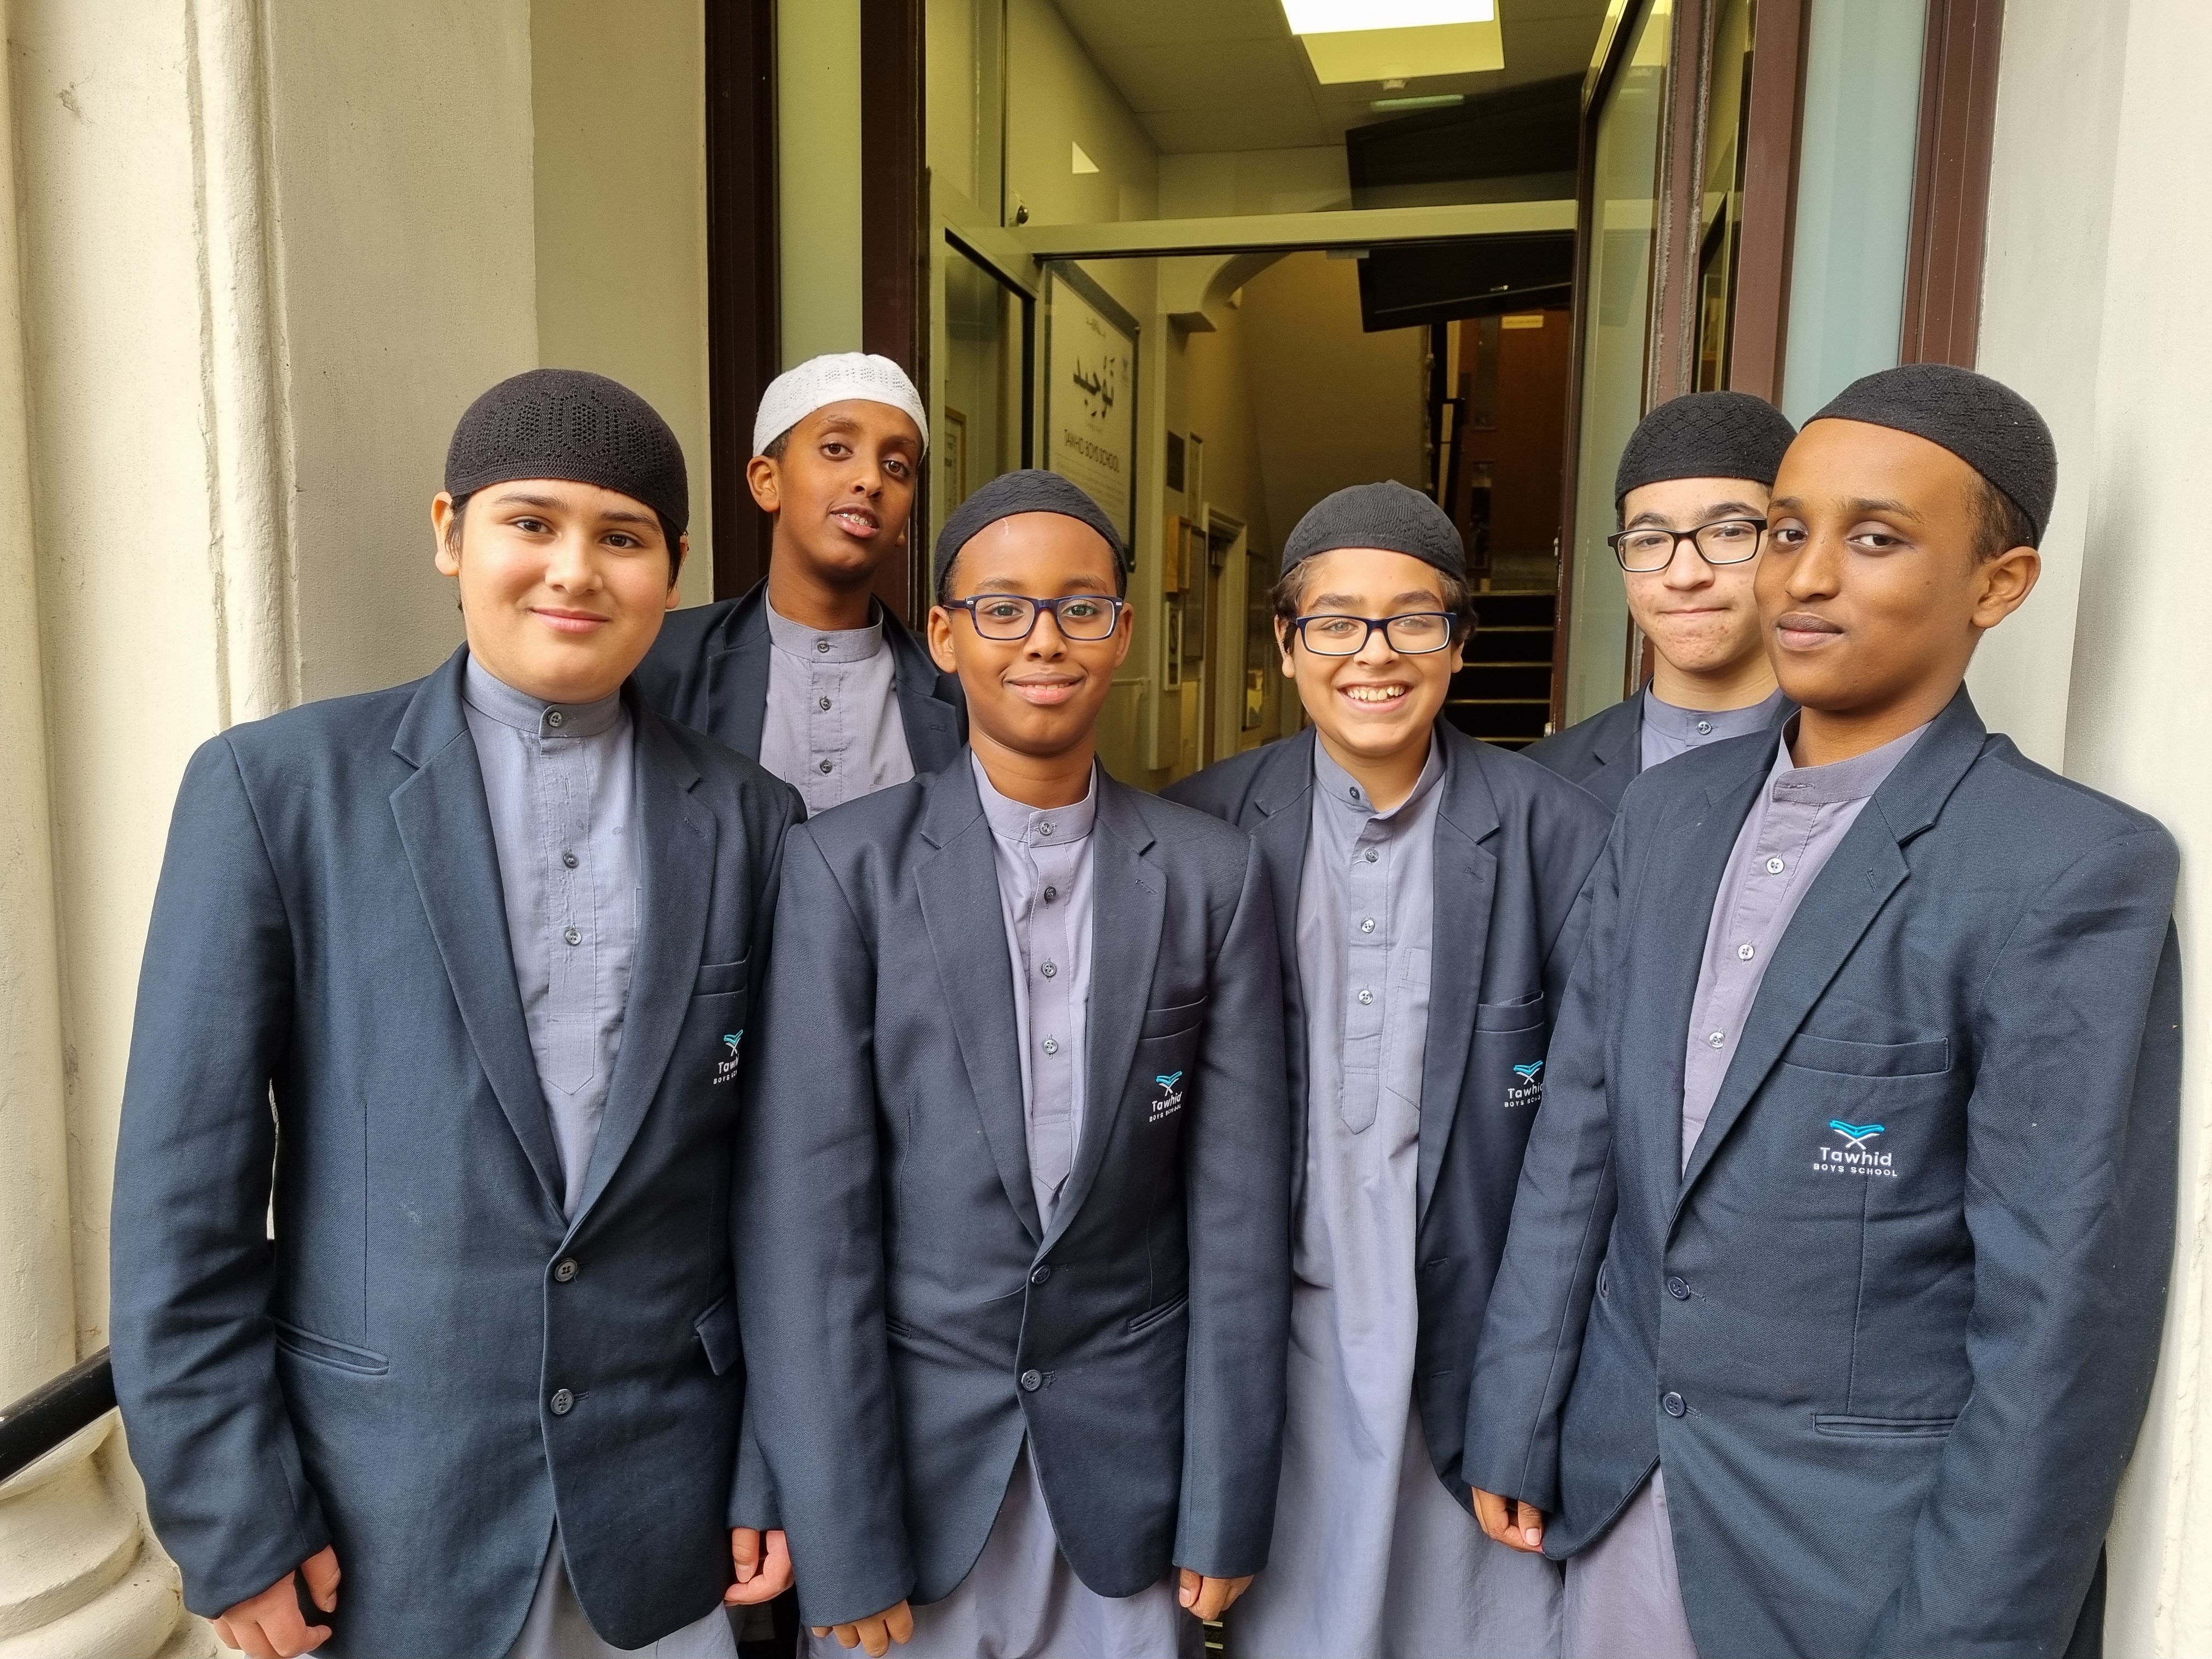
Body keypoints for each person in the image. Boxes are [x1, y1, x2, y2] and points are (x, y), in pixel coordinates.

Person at [1469, 364, 2181, 1658]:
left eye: (1877, 539)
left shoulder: (2067, 868)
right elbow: (1578, 1143)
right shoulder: (1665, 816)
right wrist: (1518, 1410)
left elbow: (2062, 1320)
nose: (1802, 577)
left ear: (1999, 584)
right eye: (1788, 529)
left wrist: (1966, 1634)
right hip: (1620, 1496)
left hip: (1859, 1561)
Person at [110, 370, 803, 1659]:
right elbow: (182, 1207)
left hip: (670, 1506)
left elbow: (779, 1187)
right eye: (530, 523)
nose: (574, 570)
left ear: (674, 569)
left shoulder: (754, 820)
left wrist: (775, 1460)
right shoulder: (278, 794)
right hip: (384, 1518)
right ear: (450, 534)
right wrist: (232, 1518)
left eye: (622, 537)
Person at [735, 470, 1292, 1659]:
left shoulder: (1211, 876)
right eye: (1002, 608)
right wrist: (840, 1530)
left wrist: (1226, 1497)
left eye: (1080, 607)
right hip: (911, 1476)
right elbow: (809, 1230)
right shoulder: (845, 871)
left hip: (1129, 1475)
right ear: (944, 635)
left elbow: (1238, 1221)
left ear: (1122, 633)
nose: (1044, 640)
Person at [1164, 481, 1611, 1658]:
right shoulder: (1200, 828)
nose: (1375, 653)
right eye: (1336, 621)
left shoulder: (1559, 834)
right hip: (1270, 1335)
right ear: (1286, 642)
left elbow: (1587, 1139)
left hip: (1463, 1332)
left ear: (1460, 643)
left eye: (1414, 619)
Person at [635, 353, 963, 809]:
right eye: (836, 449)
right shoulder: (655, 658)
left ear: (904, 521)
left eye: (896, 466)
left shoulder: (958, 684)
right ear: (767, 481)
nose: (871, 479)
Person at [1525, 391, 1797, 809]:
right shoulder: (1539, 783)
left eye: (1729, 532)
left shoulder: (1869, 764)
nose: (1684, 575)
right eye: (1650, 540)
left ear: (1790, 542)